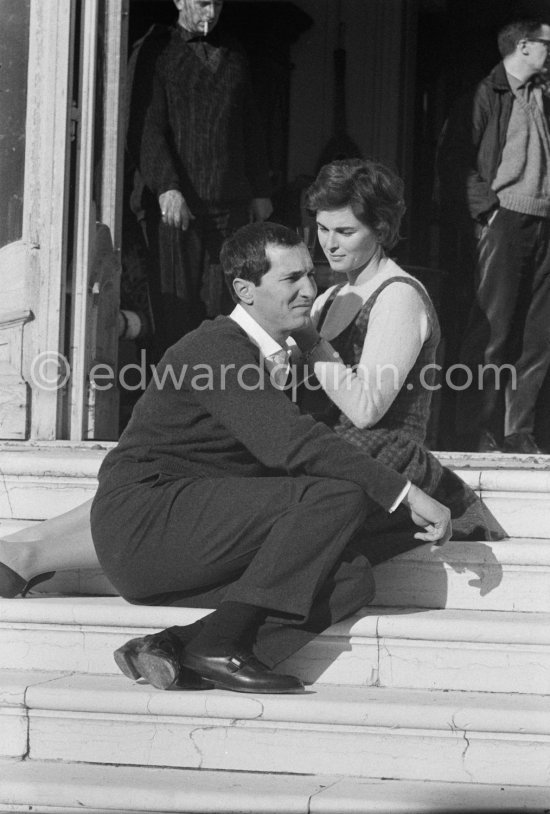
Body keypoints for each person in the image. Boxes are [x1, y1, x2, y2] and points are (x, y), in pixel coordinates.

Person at [0, 223, 451, 695]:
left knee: (352, 577)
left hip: (188, 532)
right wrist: (405, 491)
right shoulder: (215, 348)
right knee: (338, 494)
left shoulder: (274, 354)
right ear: (244, 289)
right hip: (146, 523)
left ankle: (178, 647)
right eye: (290, 279)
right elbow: (293, 443)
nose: (308, 289)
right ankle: (218, 644)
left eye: (309, 276)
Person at [290, 158, 506, 552]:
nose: (329, 243)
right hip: (333, 459)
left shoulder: (398, 296)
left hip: (387, 465)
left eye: (345, 231)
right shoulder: (330, 296)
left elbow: (366, 408)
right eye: (322, 228)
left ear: (380, 228)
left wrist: (307, 339)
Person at [127, 0, 273, 354]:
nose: (211, 13)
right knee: (174, 312)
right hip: (177, 210)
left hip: (229, 205)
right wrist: (167, 187)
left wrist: (260, 189)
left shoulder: (233, 52)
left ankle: (212, 404)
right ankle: (175, 403)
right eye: (203, 3)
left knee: (223, 312)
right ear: (178, 0)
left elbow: (250, 125)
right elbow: (146, 127)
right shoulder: (158, 50)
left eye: (218, 4)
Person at [437, 18, 550, 454]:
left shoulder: (542, 97)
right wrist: (487, 211)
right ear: (523, 46)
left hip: (544, 224)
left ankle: (517, 431)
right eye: (546, 45)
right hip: (505, 221)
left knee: (537, 336)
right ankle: (472, 431)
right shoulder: (485, 95)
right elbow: (452, 160)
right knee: (489, 333)